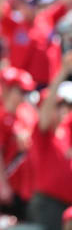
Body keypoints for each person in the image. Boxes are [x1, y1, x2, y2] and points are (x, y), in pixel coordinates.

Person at [0, 0, 72, 87]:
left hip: (47, 85)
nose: (31, 7)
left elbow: (65, 2)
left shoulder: (47, 18)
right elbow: (0, 11)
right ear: (19, 3)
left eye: (34, 2)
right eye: (27, 2)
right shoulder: (15, 25)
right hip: (22, 87)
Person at [27, 52, 72, 230]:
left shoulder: (68, 131)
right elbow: (45, 115)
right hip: (48, 204)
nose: (64, 110)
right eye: (60, 105)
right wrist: (62, 71)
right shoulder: (45, 132)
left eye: (68, 106)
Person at [0, 66, 37, 221]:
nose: (23, 96)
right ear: (9, 90)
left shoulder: (28, 112)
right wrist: (2, 186)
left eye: (26, 92)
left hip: (28, 185)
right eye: (20, 91)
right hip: (9, 184)